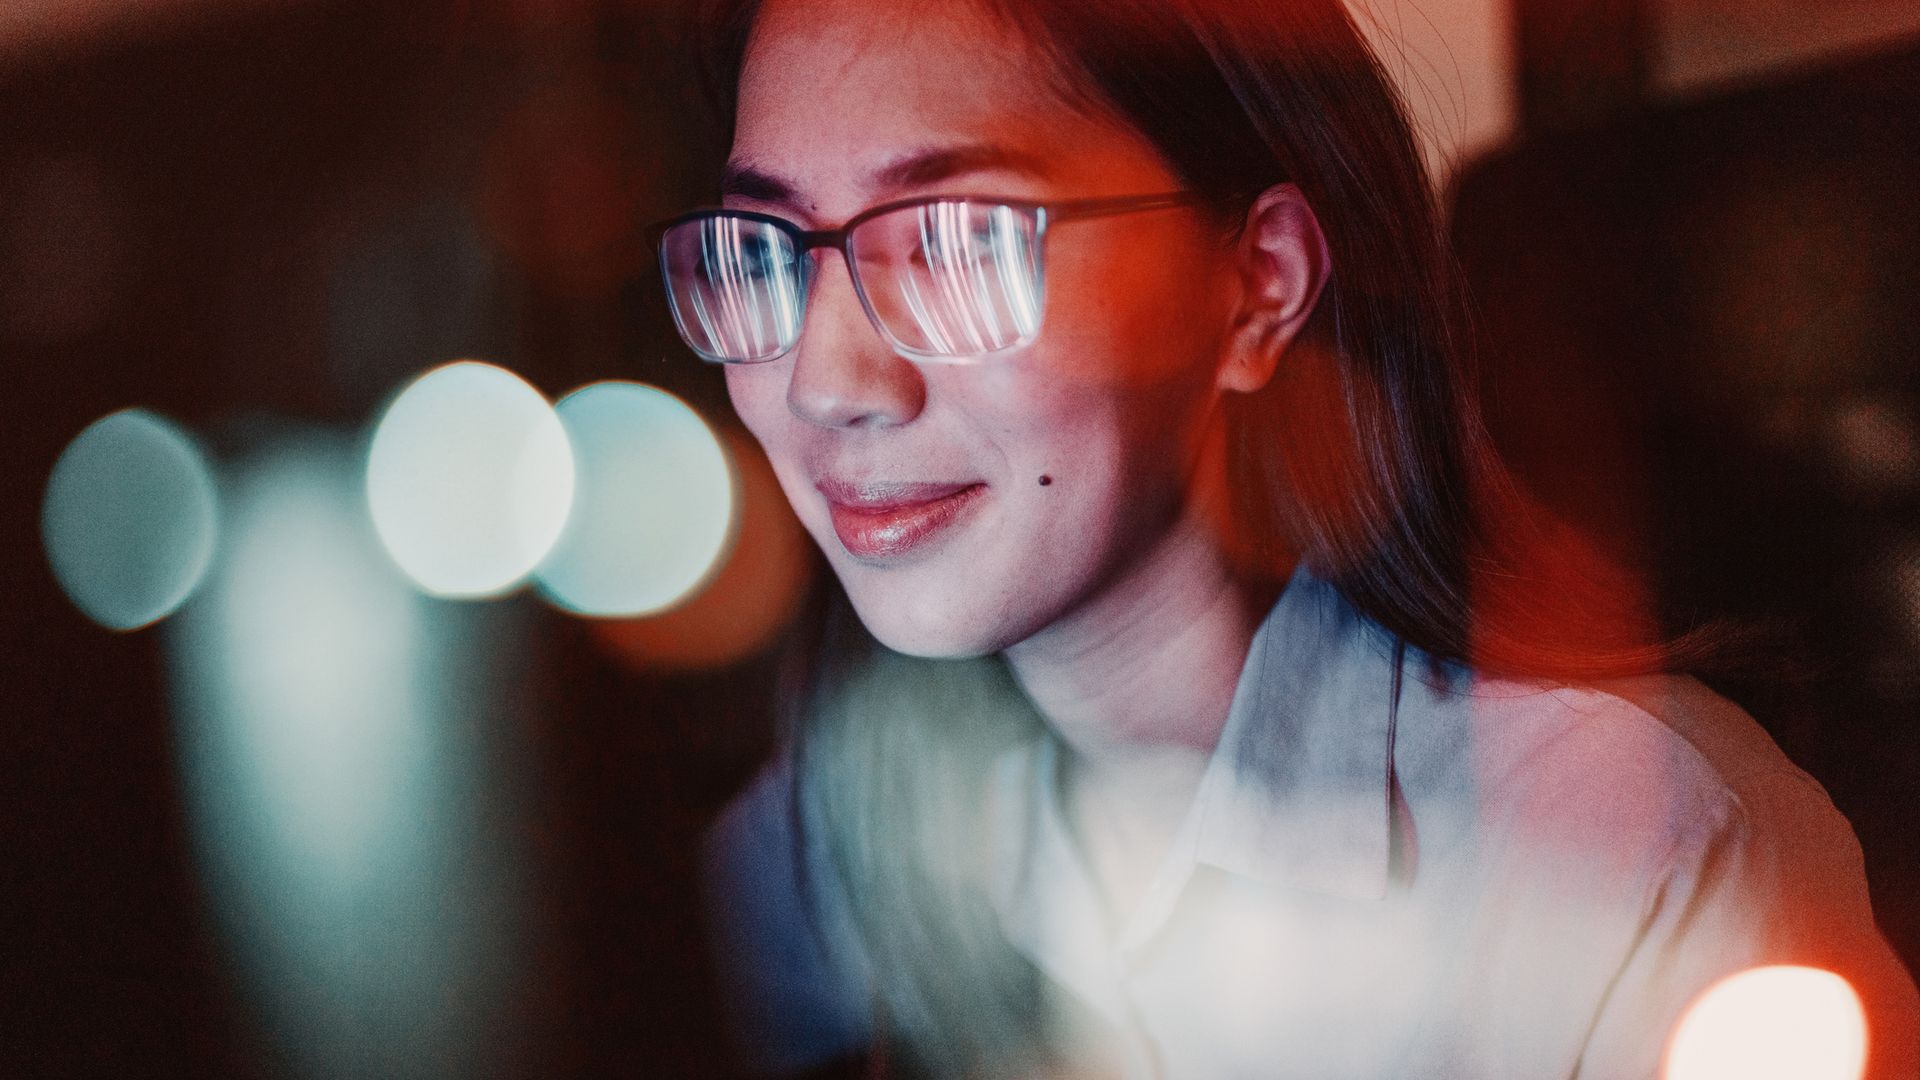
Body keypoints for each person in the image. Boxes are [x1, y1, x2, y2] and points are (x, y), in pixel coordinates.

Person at [657, 0, 1920, 1076]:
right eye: (763, 249)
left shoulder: (1644, 864)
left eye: (956, 241)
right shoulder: (840, 828)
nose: (829, 379)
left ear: (1259, 284)